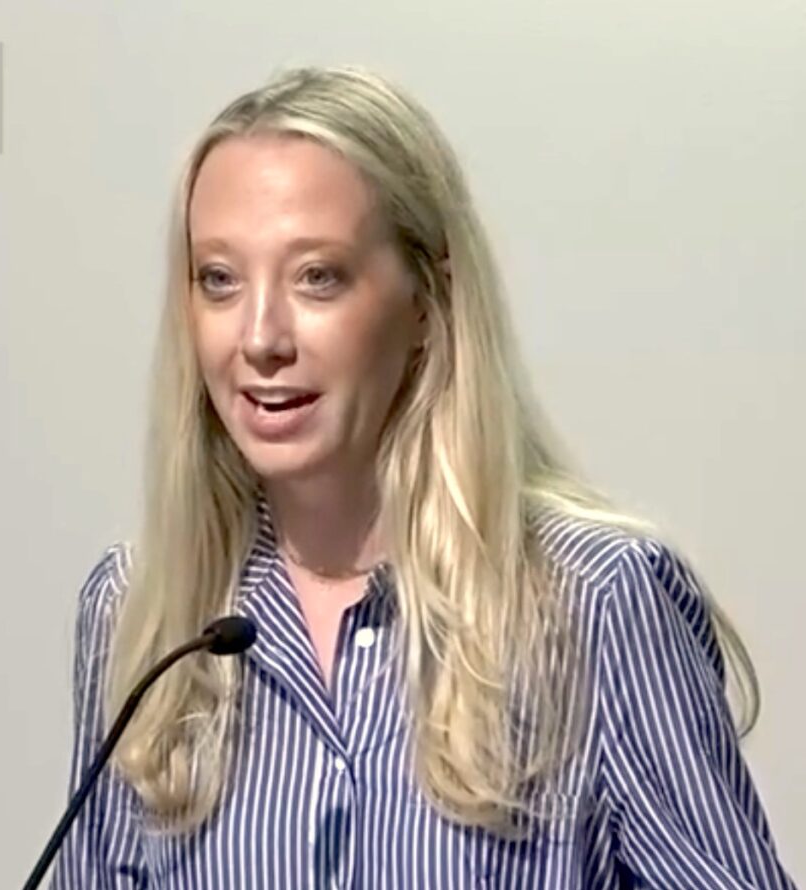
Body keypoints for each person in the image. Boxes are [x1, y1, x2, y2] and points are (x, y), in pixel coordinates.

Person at [50, 65, 797, 889]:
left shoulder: (598, 601)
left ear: (425, 301)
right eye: (219, 279)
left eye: (317, 276)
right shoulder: (138, 611)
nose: (259, 337)